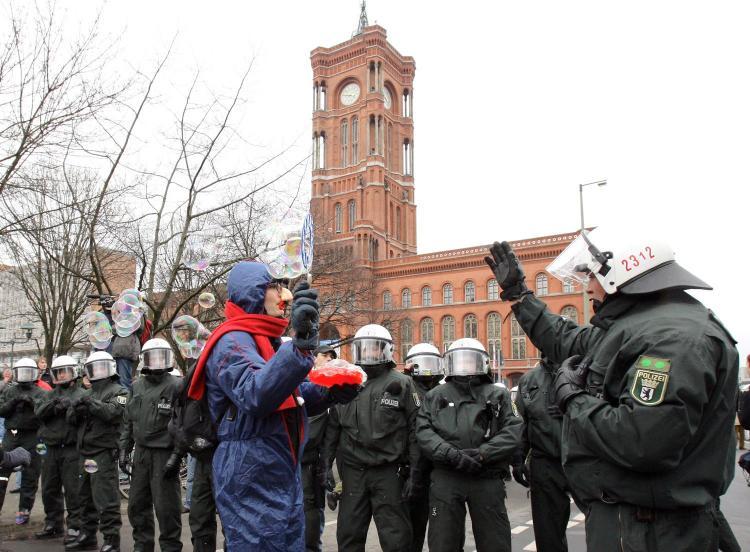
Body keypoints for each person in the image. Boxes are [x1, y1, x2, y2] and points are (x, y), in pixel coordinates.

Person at [484, 231, 739, 551]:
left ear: (622, 273)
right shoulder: (638, 327)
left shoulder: (671, 339)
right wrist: (519, 295)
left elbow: (642, 440)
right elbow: (566, 339)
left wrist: (573, 399)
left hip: (650, 530)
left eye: (593, 276)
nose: (588, 286)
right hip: (634, 521)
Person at [197, 261, 358, 550]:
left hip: (278, 467)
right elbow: (256, 393)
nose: (285, 297)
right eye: (276, 287)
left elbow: (291, 396)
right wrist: (298, 347)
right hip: (250, 471)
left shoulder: (263, 339)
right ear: (253, 292)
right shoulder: (232, 341)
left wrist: (331, 390)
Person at [416, 338, 521, 552]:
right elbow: (423, 431)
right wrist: (450, 454)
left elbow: (514, 429)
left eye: (470, 361)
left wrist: (484, 454)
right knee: (443, 541)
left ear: (482, 363)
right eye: (459, 361)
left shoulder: (498, 394)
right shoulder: (435, 396)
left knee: (495, 541)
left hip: (487, 476)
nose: (465, 366)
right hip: (447, 477)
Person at [323, 323, 420, 552]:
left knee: (396, 538)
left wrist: (414, 473)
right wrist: (325, 465)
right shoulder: (347, 383)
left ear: (385, 351)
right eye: (364, 348)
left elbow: (416, 431)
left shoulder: (403, 384)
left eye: (374, 348)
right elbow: (333, 429)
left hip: (388, 472)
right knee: (349, 535)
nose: (369, 352)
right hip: (353, 473)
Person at [120, 338, 183, 552]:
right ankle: (142, 546)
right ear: (144, 360)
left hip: (164, 454)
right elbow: (128, 419)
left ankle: (170, 547)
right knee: (136, 504)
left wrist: (177, 455)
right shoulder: (136, 386)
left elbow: (184, 424)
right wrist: (124, 449)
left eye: (160, 356)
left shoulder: (176, 386)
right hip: (142, 454)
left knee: (166, 508)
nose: (156, 361)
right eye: (152, 357)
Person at [513, 357, 582, 552]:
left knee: (603, 526)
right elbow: (522, 423)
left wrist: (573, 410)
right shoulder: (528, 380)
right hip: (545, 463)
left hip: (584, 462)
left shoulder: (587, 371)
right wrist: (518, 458)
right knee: (548, 534)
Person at [66, 351, 127, 552]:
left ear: (109, 368)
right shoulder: (87, 392)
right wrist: (76, 409)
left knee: (106, 498)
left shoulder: (119, 391)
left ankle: (111, 540)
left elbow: (113, 413)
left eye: (101, 367)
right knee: (83, 496)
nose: (97, 371)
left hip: (103, 451)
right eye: (94, 368)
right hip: (84, 451)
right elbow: (71, 420)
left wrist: (90, 404)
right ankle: (88, 534)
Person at [34, 355, 86, 542]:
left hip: (71, 448)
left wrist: (70, 407)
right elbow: (39, 413)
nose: (61, 376)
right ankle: (53, 524)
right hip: (50, 447)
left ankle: (75, 526)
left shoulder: (81, 394)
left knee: (73, 489)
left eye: (65, 371)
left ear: (74, 372)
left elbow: (81, 417)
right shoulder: (49, 394)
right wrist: (55, 407)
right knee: (49, 487)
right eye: (58, 372)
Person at [403, 342, 444, 552]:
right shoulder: (404, 389)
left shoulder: (445, 392)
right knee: (410, 531)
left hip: (438, 470)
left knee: (441, 531)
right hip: (410, 468)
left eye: (432, 363)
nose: (428, 369)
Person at [0, 357, 49, 524]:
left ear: (34, 373)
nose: (24, 375)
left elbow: (45, 414)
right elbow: (1, 411)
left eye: (28, 372)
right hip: (11, 434)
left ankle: (24, 510)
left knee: (31, 473)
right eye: (21, 372)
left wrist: (33, 403)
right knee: (2, 470)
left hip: (33, 435)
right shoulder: (10, 391)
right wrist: (14, 402)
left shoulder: (41, 392)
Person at [302, 345, 337, 552]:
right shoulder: (304, 384)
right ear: (313, 358)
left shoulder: (333, 386)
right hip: (300, 459)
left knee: (313, 511)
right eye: (325, 355)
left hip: (315, 461)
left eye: (333, 357)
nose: (329, 359)